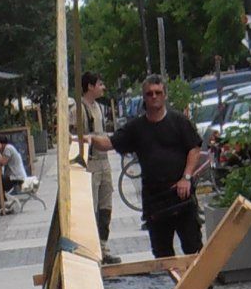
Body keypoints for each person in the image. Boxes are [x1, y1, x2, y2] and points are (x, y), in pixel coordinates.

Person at [96, 75, 203, 258]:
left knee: (194, 248)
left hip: (181, 195)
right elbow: (108, 143)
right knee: (162, 255)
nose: (154, 97)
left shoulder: (179, 122)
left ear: (165, 95)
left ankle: (201, 287)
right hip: (155, 200)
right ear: (144, 97)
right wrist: (85, 140)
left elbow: (194, 149)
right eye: (149, 93)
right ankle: (176, 286)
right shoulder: (136, 128)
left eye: (158, 93)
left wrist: (186, 177)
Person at [72, 71, 116, 242]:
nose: (103, 87)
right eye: (100, 84)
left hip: (104, 162)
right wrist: (86, 139)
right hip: (90, 164)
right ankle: (92, 247)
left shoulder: (98, 107)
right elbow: (68, 136)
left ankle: (104, 246)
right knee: (91, 209)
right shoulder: (78, 109)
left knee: (106, 206)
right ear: (90, 86)